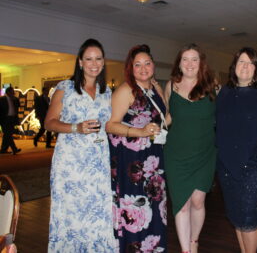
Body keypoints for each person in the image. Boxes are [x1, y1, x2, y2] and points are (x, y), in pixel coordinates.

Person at [45, 38, 115, 251]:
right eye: (89, 59)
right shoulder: (65, 88)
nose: (94, 63)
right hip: (71, 165)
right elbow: (49, 122)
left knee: (97, 212)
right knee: (72, 215)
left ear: (103, 62)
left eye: (98, 59)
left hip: (98, 163)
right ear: (80, 62)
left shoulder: (107, 92)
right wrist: (76, 127)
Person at [216, 47, 257, 253]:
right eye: (241, 62)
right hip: (227, 165)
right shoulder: (224, 92)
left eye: (250, 63)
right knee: (236, 215)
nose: (245, 66)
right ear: (234, 66)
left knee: (250, 216)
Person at [106, 44, 167, 252]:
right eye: (137, 64)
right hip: (131, 162)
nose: (143, 68)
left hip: (153, 158)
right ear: (130, 68)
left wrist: (162, 125)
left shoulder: (156, 88)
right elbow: (110, 124)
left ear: (154, 66)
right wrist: (140, 131)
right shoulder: (126, 90)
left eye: (147, 63)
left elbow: (164, 118)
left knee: (154, 207)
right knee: (135, 210)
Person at [164, 43, 218, 253]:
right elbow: (169, 116)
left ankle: (194, 241)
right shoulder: (171, 85)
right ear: (179, 63)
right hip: (176, 154)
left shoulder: (211, 86)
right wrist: (151, 129)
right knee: (182, 204)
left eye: (194, 59)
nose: (189, 64)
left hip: (204, 153)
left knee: (197, 201)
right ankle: (186, 250)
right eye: (185, 59)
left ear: (201, 63)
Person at [0, 86, 21, 155]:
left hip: (12, 118)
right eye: (12, 92)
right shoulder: (2, 99)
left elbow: (18, 107)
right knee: (8, 134)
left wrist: (15, 99)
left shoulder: (15, 99)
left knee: (7, 134)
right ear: (8, 92)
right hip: (4, 119)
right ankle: (14, 149)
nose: (13, 93)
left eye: (13, 92)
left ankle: (3, 149)